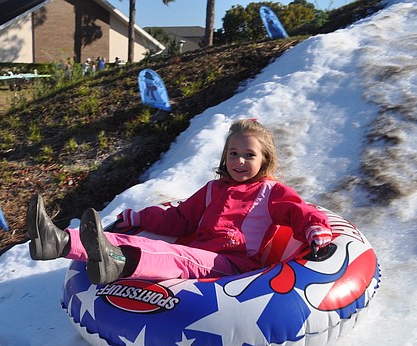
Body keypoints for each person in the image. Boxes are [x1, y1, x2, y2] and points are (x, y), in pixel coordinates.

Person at [27, 119, 333, 285]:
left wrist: (317, 231)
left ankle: (118, 263)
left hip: (235, 267)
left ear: (265, 159)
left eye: (249, 155)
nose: (239, 161)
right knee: (121, 238)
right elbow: (178, 218)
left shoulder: (271, 192)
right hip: (201, 256)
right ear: (224, 157)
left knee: (174, 255)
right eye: (233, 153)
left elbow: (301, 212)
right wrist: (140, 218)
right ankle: (59, 243)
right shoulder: (213, 189)